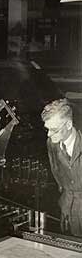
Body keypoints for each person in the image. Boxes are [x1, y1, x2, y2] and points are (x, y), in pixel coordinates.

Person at [41, 99, 82, 236]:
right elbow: (56, 170)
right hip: (66, 208)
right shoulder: (52, 143)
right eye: (47, 129)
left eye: (54, 130)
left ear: (69, 124)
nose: (49, 134)